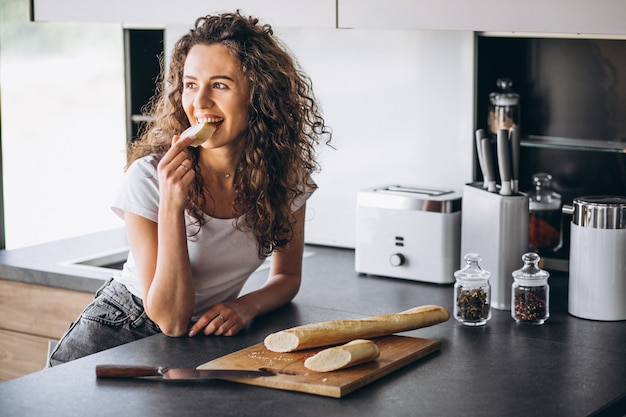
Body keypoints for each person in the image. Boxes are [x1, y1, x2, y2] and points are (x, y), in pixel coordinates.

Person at [48, 11, 331, 366]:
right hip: (118, 334)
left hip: (193, 343)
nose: (199, 102)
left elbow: (287, 276)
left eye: (220, 85)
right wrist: (171, 203)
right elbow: (169, 319)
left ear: (258, 95)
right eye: (191, 84)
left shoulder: (286, 177)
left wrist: (247, 306)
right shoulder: (149, 178)